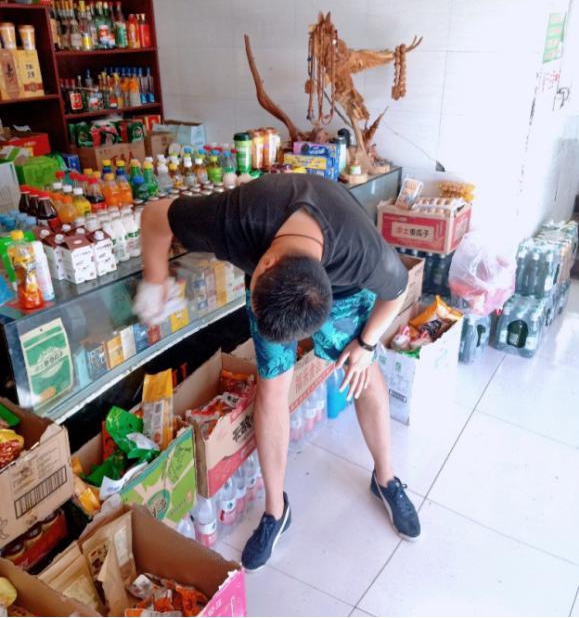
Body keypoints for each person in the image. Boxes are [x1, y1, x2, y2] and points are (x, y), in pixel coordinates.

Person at [135, 173, 421, 572]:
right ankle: (275, 511)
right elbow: (154, 216)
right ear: (262, 264)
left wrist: (367, 344)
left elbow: (397, 289)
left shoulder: (361, 254)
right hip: (276, 277)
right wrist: (154, 280)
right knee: (271, 389)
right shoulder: (233, 219)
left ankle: (386, 479)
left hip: (342, 290)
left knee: (362, 373)